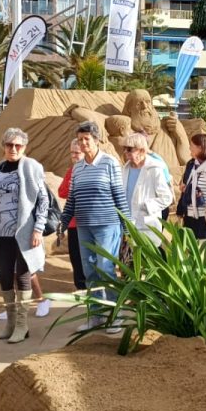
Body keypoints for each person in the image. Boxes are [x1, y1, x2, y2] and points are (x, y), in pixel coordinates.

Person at [60, 121, 129, 333]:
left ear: (97, 140)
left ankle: (115, 316)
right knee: (89, 271)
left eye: (86, 139)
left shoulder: (110, 163)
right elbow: (71, 198)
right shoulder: (77, 168)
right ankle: (96, 315)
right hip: (84, 226)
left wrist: (127, 226)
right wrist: (63, 222)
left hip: (107, 225)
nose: (82, 144)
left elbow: (119, 195)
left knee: (106, 269)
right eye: (80, 140)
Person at [0, 128, 47, 344]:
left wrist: (38, 229)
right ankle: (9, 323)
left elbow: (43, 200)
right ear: (4, 146)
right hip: (1, 232)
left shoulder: (31, 167)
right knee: (4, 275)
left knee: (23, 275)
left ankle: (22, 325)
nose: (14, 149)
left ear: (25, 147)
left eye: (18, 145)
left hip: (25, 232)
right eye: (9, 145)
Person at [121, 132, 174, 248]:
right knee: (127, 263)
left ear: (141, 150)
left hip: (146, 224)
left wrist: (147, 205)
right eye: (124, 149)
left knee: (146, 262)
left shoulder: (154, 168)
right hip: (127, 225)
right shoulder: (125, 169)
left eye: (129, 149)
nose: (125, 152)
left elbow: (167, 197)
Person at [57, 140, 87, 292]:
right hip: (73, 222)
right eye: (72, 152)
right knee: (75, 256)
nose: (74, 156)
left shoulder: (90, 169)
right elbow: (61, 191)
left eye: (77, 152)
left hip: (88, 222)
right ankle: (80, 286)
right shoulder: (71, 170)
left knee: (89, 255)